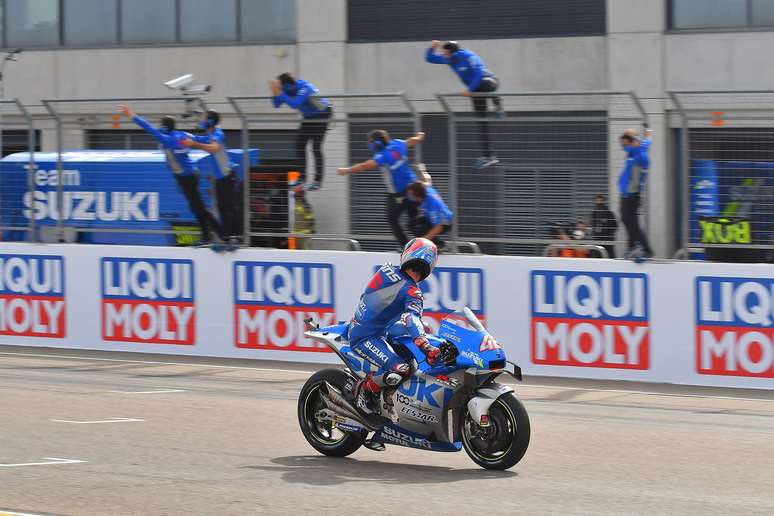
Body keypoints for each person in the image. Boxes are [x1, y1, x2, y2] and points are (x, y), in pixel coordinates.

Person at [347, 237, 441, 427]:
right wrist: (423, 343)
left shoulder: (387, 269)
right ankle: (364, 391)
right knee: (401, 369)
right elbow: (410, 318)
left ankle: (389, 396)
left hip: (376, 326)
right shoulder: (412, 291)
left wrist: (422, 337)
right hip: (366, 337)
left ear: (407, 253)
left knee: (424, 335)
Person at [118, 105, 223, 244]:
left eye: (161, 125)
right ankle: (208, 235)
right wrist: (214, 137)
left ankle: (219, 234)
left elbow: (148, 128)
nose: (159, 127)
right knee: (196, 207)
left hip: (186, 178)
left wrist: (131, 115)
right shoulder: (182, 135)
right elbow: (200, 139)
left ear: (165, 127)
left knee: (199, 208)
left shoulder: (167, 139)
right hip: (191, 174)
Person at [337, 130, 426, 246]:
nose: (369, 144)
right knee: (413, 219)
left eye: (371, 142)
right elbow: (411, 141)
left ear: (377, 143)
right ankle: (429, 242)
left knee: (392, 218)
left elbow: (365, 166)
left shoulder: (383, 156)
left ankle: (406, 245)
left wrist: (347, 170)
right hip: (413, 187)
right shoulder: (398, 144)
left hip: (398, 193)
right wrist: (420, 136)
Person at [425, 40, 503, 170]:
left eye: (445, 54)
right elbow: (429, 58)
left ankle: (497, 104)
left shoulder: (468, 56)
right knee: (481, 123)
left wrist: (469, 90)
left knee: (484, 82)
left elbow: (478, 73)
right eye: (443, 54)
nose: (444, 56)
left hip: (490, 82)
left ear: (453, 53)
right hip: (475, 91)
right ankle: (489, 156)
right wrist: (432, 48)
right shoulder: (450, 60)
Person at [185, 110, 242, 243]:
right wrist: (184, 136)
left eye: (204, 118)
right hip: (219, 178)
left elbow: (213, 148)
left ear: (210, 121)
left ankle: (236, 236)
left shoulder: (217, 134)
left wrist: (193, 144)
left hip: (227, 176)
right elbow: (198, 138)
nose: (202, 121)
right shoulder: (210, 135)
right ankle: (227, 237)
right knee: (222, 208)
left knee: (230, 207)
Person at [270, 73, 332, 191]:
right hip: (309, 116)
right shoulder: (286, 89)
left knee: (316, 147)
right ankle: (302, 178)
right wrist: (274, 92)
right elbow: (276, 104)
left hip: (323, 114)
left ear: (287, 85)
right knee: (299, 145)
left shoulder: (305, 87)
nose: (281, 89)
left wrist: (279, 92)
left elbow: (295, 104)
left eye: (281, 86)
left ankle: (317, 181)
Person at [619, 127, 654, 258]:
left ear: (633, 142)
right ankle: (632, 246)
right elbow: (648, 140)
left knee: (632, 223)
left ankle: (646, 249)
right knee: (625, 219)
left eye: (625, 143)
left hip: (632, 195)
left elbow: (636, 180)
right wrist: (648, 131)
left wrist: (636, 136)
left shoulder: (640, 156)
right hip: (626, 194)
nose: (623, 146)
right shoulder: (635, 150)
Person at [405, 165, 453, 249]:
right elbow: (427, 180)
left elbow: (438, 227)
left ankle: (439, 244)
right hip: (432, 217)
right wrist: (422, 171)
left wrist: (424, 240)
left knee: (420, 230)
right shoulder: (426, 189)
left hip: (445, 222)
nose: (410, 197)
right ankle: (433, 242)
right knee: (411, 224)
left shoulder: (433, 205)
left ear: (418, 196)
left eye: (412, 195)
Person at [590, 194, 618, 258]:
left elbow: (615, 225)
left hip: (607, 239)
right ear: (595, 201)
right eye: (597, 200)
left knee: (610, 255)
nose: (599, 202)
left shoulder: (609, 212)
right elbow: (593, 225)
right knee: (597, 256)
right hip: (598, 239)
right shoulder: (593, 213)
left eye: (601, 200)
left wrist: (608, 233)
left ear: (604, 201)